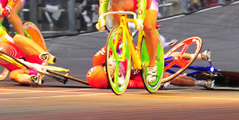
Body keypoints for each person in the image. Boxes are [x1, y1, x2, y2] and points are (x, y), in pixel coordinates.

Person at [96, 0, 160, 84]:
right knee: (114, 5)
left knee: (148, 27)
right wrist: (101, 20)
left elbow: (142, 0)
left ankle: (152, 66)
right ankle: (124, 35)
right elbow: (104, 2)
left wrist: (140, 19)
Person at [86, 45, 214, 89]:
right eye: (111, 77)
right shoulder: (119, 83)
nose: (113, 72)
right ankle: (201, 83)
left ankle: (199, 56)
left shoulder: (99, 58)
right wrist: (158, 83)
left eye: (108, 70)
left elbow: (116, 39)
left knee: (164, 57)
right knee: (168, 78)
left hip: (135, 55)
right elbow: (138, 84)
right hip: (139, 73)